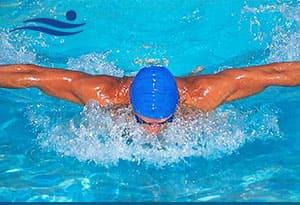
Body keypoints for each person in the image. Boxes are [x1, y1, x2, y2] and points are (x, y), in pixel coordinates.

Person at [0, 62, 299, 134]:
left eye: (163, 122)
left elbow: (273, 74)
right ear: (130, 105)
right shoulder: (101, 93)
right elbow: (31, 75)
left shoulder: (204, 94)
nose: (153, 132)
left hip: (191, 84)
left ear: (177, 107)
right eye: (143, 121)